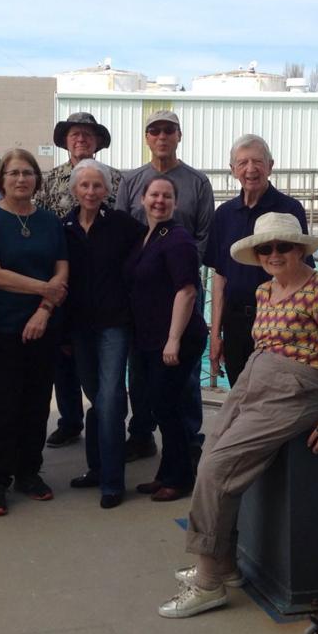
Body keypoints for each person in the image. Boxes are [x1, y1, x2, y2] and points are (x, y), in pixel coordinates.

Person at [157, 213, 318, 618]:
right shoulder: (265, 291)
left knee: (218, 468)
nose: (275, 253)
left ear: (300, 249)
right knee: (210, 454)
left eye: (283, 246)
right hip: (254, 378)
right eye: (266, 247)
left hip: (295, 389)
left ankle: (209, 581)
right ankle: (224, 563)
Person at [0, 149, 69, 516]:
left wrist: (44, 309)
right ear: (1, 180)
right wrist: (44, 290)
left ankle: (29, 472)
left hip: (44, 326)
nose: (21, 179)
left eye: (28, 173)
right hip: (1, 327)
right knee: (1, 406)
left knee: (36, 404)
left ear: (37, 180)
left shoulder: (49, 222)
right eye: (13, 173)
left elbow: (62, 271)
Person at [116, 109, 214, 461]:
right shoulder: (131, 181)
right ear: (147, 137)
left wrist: (178, 268)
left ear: (179, 135)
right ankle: (141, 433)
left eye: (168, 130)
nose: (161, 136)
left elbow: (204, 234)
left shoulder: (197, 182)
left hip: (182, 287)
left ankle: (188, 438)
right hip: (141, 295)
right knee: (139, 368)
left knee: (182, 369)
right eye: (154, 130)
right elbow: (124, 232)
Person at [63, 159, 144, 508]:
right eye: (85, 185)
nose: (91, 191)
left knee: (110, 400)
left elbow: (142, 269)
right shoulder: (63, 226)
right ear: (75, 190)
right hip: (79, 326)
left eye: (98, 186)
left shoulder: (124, 226)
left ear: (108, 191)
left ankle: (112, 481)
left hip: (114, 324)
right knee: (96, 397)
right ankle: (97, 468)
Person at [40, 111, 123, 449]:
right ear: (65, 140)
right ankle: (70, 419)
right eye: (75, 134)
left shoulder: (117, 179)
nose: (81, 139)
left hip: (103, 279)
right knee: (63, 354)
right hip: (61, 274)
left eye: (88, 134)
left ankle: (108, 423)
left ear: (98, 141)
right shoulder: (50, 179)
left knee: (104, 361)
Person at [124, 175, 207, 503]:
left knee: (169, 408)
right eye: (154, 195)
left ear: (175, 203)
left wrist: (173, 340)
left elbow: (186, 291)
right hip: (148, 338)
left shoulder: (178, 239)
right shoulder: (147, 235)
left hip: (175, 340)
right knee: (159, 406)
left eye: (167, 196)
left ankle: (181, 478)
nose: (160, 201)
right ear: (143, 199)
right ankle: (166, 473)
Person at [206, 135, 312, 387]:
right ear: (233, 171)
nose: (250, 169)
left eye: (257, 161)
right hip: (235, 323)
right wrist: (215, 333)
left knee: (273, 398)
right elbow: (220, 276)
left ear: (270, 166)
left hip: (278, 324)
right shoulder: (224, 214)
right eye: (242, 163)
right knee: (240, 393)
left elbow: (303, 271)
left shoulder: (289, 210)